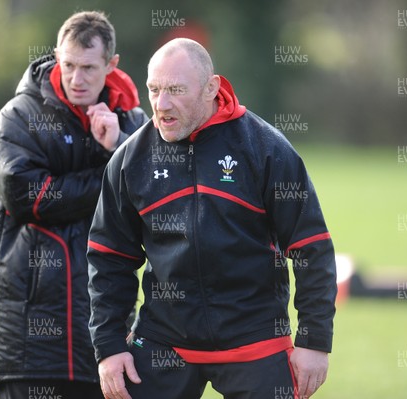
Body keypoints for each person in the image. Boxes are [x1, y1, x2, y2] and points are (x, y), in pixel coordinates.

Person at [87, 38, 337, 399]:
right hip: (164, 340)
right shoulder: (130, 159)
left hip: (255, 339)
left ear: (211, 88)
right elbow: (109, 257)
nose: (161, 104)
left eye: (175, 90)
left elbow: (310, 246)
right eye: (154, 90)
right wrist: (109, 347)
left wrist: (314, 341)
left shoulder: (266, 149)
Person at [0, 11, 148, 399]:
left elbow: (157, 199)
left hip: (108, 334)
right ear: (56, 55)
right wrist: (113, 172)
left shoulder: (135, 123)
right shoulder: (19, 116)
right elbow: (26, 195)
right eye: (68, 64)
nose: (77, 79)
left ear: (112, 64)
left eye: (89, 67)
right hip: (31, 335)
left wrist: (117, 146)